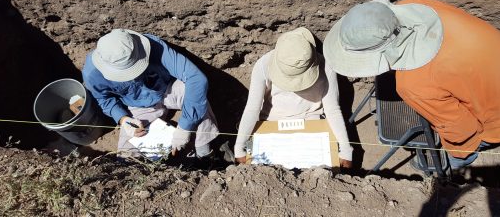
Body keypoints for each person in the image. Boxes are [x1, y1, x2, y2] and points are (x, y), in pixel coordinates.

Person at [323, 0, 500, 169]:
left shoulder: (415, 84)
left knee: (458, 156)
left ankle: (454, 171)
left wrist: (456, 155)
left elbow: (462, 130)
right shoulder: (415, 5)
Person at [82, 28, 219, 159]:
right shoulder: (92, 74)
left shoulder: (153, 45)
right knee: (127, 156)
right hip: (139, 107)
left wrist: (184, 127)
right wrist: (123, 119)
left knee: (193, 95)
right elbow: (104, 99)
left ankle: (204, 152)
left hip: (168, 89)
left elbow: (195, 78)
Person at [234, 27, 353, 168]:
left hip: (312, 122)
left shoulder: (326, 66)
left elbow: (332, 109)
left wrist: (346, 149)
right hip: (270, 123)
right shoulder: (263, 65)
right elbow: (252, 109)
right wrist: (239, 147)